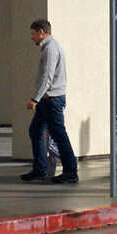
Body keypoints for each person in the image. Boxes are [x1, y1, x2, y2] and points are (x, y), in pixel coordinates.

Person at [21, 19, 78, 185]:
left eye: (33, 34)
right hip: (47, 100)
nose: (32, 37)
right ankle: (40, 169)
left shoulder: (50, 49)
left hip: (52, 100)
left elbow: (47, 77)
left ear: (41, 32)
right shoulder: (48, 47)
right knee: (35, 131)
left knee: (59, 135)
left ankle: (70, 172)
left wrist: (34, 99)